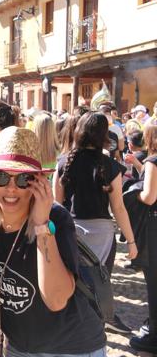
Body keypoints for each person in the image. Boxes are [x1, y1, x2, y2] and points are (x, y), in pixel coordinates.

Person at [0, 126, 107, 357]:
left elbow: (56, 300)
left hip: (70, 347)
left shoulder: (56, 217)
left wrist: (42, 224)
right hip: (18, 346)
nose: (11, 188)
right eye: (1, 176)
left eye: (24, 178)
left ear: (38, 182)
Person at [53, 111, 138, 334]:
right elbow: (118, 208)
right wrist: (131, 241)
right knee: (99, 286)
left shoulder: (63, 162)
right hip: (102, 234)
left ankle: (70, 329)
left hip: (70, 231)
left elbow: (56, 205)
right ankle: (93, 330)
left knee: (71, 283)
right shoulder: (110, 166)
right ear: (103, 135)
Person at [129, 124, 157, 354]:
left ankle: (154, 334)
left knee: (154, 282)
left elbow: (149, 197)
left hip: (154, 226)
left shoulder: (153, 161)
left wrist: (134, 192)